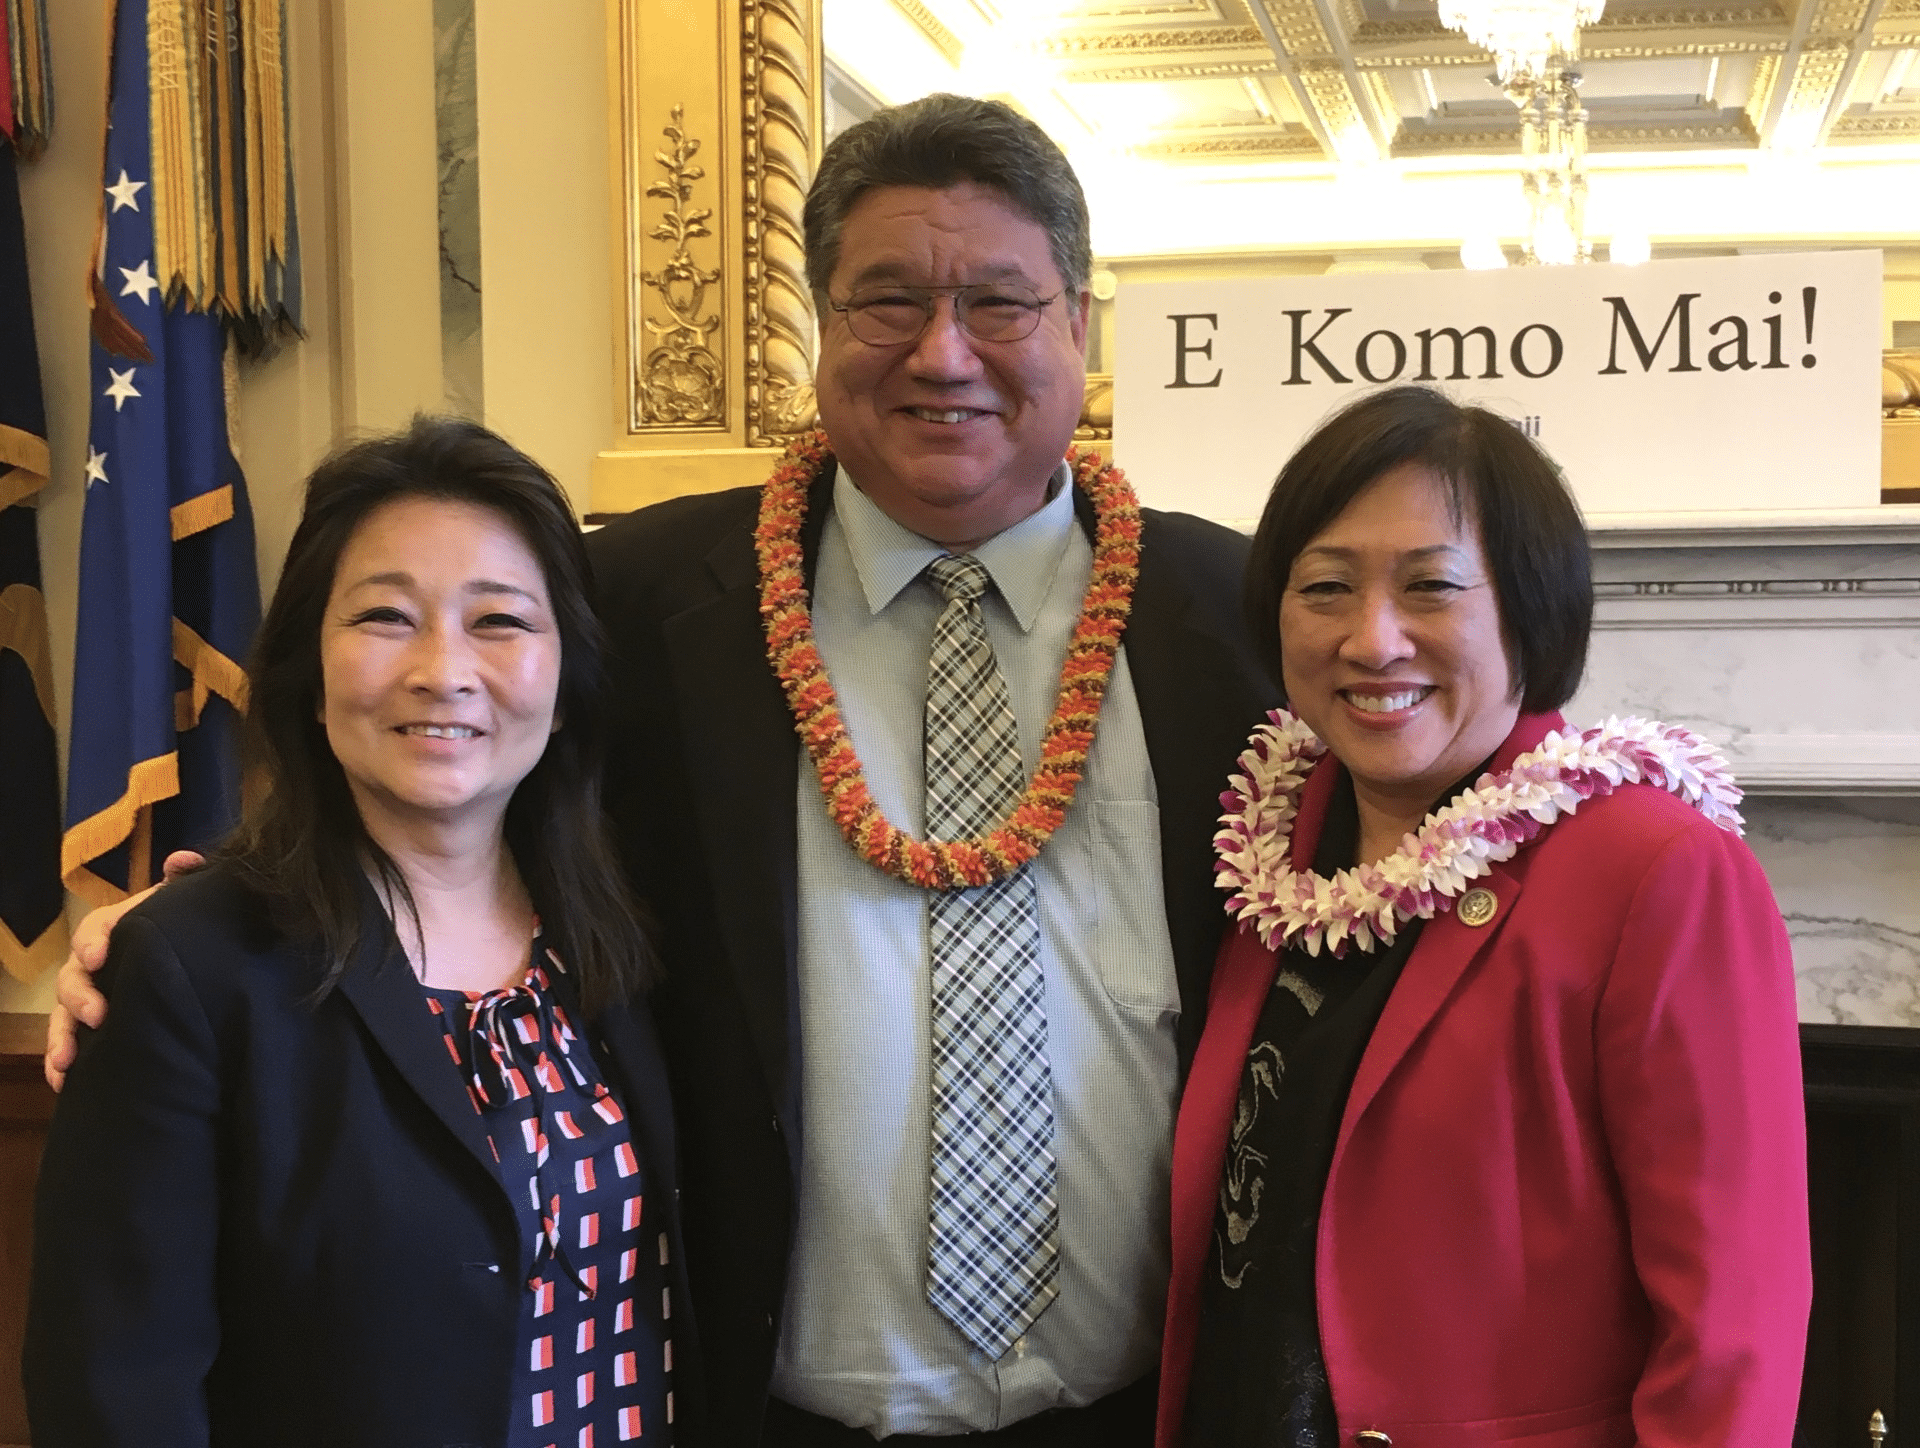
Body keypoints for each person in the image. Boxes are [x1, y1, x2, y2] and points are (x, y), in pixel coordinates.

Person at [46, 96, 1277, 1446]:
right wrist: (186, 930)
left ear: (1078, 325)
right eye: (885, 301)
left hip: (1145, 1413)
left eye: (999, 300)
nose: (943, 352)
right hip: (757, 1409)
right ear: (817, 325)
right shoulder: (636, 602)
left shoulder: (1237, 619)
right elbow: (444, 772)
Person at [1158, 385, 1811, 1447]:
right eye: (1325, 584)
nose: (1373, 639)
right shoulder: (1268, 848)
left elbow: (1735, 1323)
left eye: (1432, 587)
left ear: (1530, 608)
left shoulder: (1656, 871)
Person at [28, 418, 693, 1448]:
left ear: (564, 686)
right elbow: (118, 1391)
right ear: (309, 667)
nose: (443, 668)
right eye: (387, 615)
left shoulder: (628, 927)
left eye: (501, 621)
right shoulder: (188, 966)